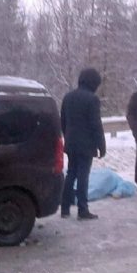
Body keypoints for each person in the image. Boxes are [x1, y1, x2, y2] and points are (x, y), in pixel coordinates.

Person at [60, 68, 106, 220]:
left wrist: (67, 136)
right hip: (86, 145)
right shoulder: (92, 99)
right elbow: (96, 124)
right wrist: (101, 145)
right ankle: (82, 209)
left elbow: (63, 121)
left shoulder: (68, 97)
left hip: (71, 142)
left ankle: (65, 208)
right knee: (83, 176)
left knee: (71, 173)